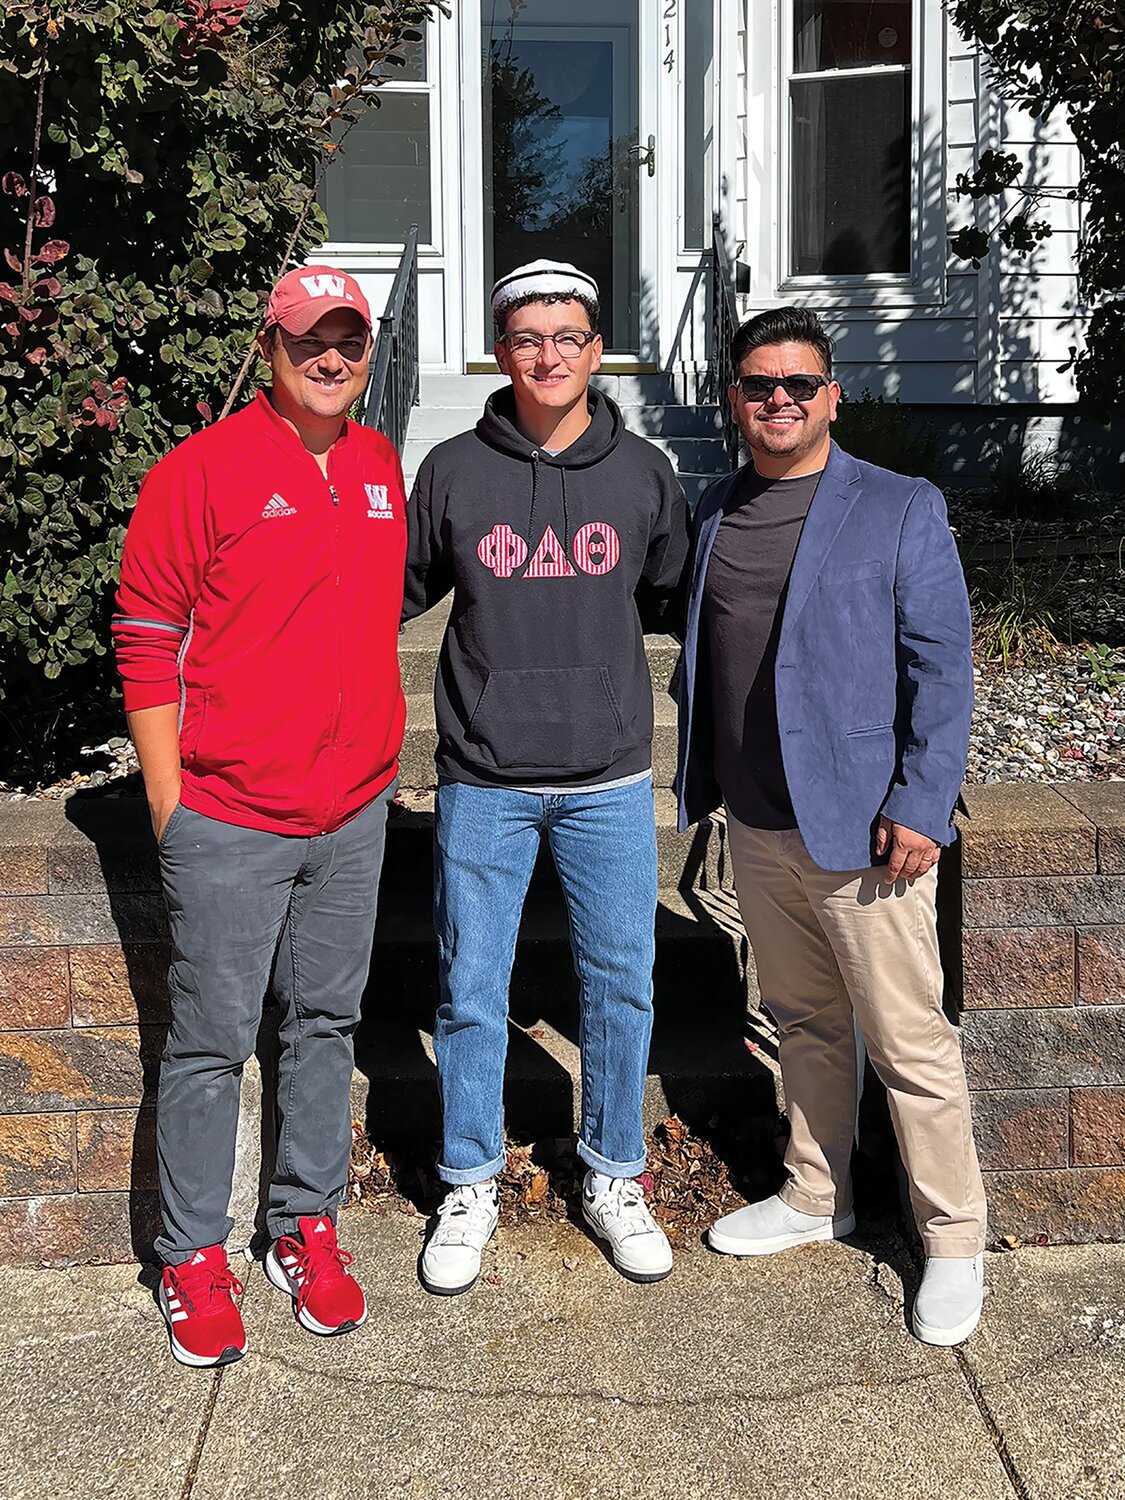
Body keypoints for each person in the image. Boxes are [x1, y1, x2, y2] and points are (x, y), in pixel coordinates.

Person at [675, 306, 987, 1346]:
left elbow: (943, 665)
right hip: (759, 824)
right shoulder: (716, 510)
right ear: (736, 399)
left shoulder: (898, 505)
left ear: (831, 395)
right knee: (805, 1022)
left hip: (866, 832)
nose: (778, 400)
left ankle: (954, 1239)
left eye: (797, 384)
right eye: (759, 384)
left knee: (908, 1040)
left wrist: (920, 798)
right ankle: (820, 1195)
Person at [113, 266, 407, 1367]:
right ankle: (192, 1255)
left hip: (353, 810)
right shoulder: (203, 471)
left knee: (324, 1025)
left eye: (350, 340)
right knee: (209, 1044)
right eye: (309, 341)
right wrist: (167, 799)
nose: (331, 359)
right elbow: (145, 628)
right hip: (229, 815)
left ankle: (304, 1223)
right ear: (270, 348)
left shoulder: (381, 466)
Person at [404, 260, 689, 1294]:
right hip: (484, 775)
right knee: (472, 988)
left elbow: (668, 593)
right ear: (500, 350)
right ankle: (470, 1178)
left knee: (620, 982)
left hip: (609, 774)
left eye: (568, 336)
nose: (550, 354)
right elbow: (395, 594)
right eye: (528, 337)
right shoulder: (450, 472)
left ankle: (615, 1171)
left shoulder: (645, 472)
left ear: (596, 347)